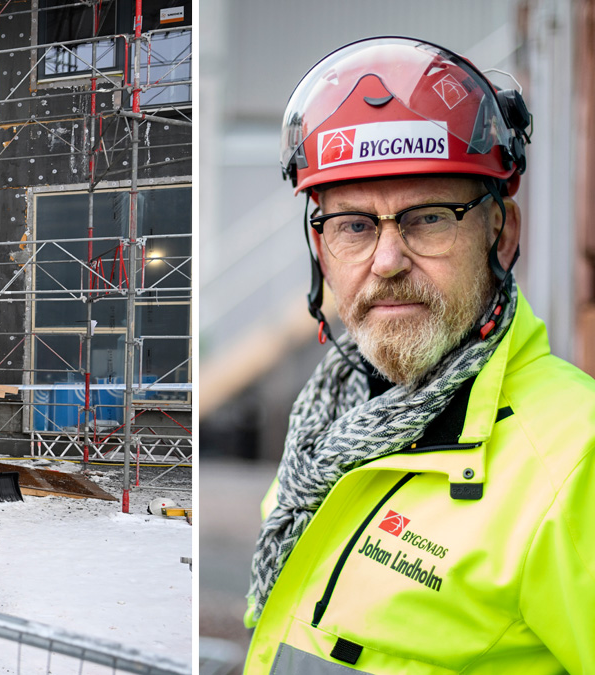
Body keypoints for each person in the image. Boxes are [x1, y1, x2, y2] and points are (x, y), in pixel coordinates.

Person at [242, 36, 595, 673]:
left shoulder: (575, 463)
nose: (387, 262)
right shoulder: (326, 422)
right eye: (353, 224)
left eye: (428, 217)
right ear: (320, 248)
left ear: (500, 232)